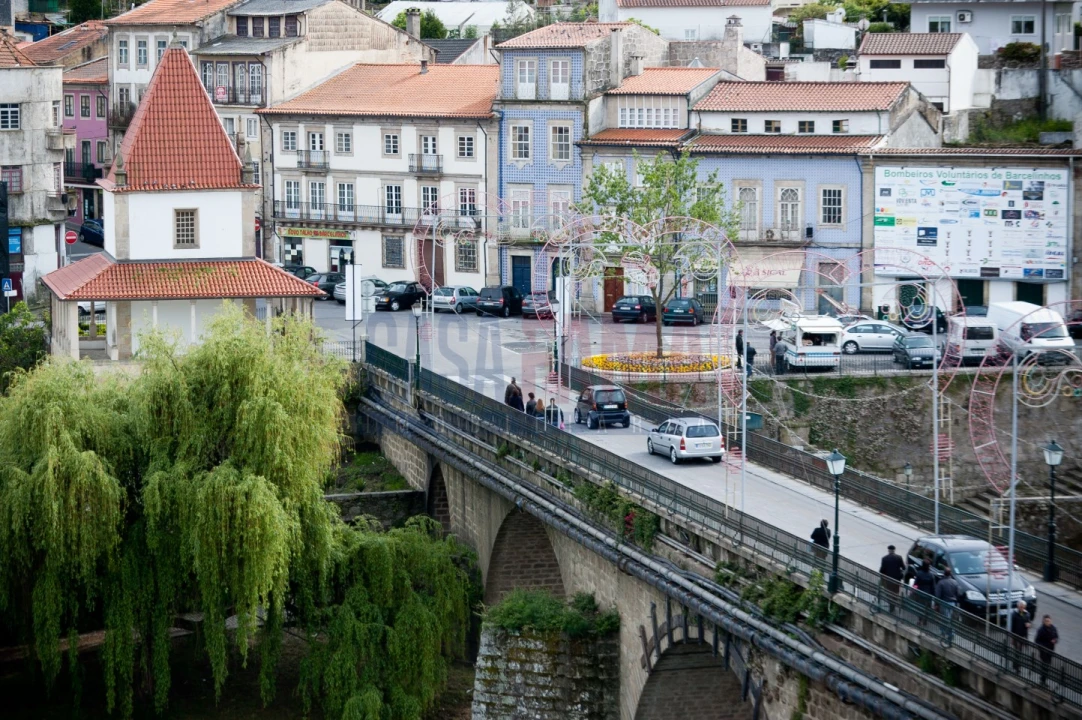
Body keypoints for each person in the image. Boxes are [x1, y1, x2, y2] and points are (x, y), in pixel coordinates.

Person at [934, 567, 961, 641]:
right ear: (950, 573)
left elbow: (938, 595)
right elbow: (958, 594)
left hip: (944, 603)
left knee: (944, 619)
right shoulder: (955, 582)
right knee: (950, 619)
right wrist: (957, 602)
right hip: (952, 603)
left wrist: (936, 604)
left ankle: (945, 633)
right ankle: (950, 634)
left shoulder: (941, 582)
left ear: (944, 573)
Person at [908, 559, 937, 625]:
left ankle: (920, 620)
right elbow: (933, 587)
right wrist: (934, 596)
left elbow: (916, 584)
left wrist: (912, 591)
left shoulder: (919, 574)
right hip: (928, 595)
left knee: (920, 607)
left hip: (920, 593)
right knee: (927, 608)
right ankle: (925, 620)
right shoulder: (931, 575)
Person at [879, 545, 906, 612]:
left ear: (888, 550)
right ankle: (893, 605)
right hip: (897, 579)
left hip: (888, 579)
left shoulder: (884, 559)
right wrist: (901, 574)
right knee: (895, 592)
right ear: (894, 550)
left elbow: (882, 570)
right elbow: (904, 568)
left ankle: (891, 605)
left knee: (888, 592)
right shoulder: (899, 558)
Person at [1035, 615, 1059, 684]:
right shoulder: (1041, 629)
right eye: (1046, 621)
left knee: (1047, 666)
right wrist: (1042, 647)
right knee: (1045, 665)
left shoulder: (1053, 628)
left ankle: (1044, 680)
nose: (1048, 622)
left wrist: (1055, 640)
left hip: (1050, 650)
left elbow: (1056, 637)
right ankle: (1043, 680)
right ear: (1044, 621)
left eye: (1049, 621)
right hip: (1043, 651)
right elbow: (1037, 640)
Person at [1010, 600, 1032, 672]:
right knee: (1017, 651)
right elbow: (1012, 626)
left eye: (1023, 607)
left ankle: (1016, 665)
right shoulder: (1015, 614)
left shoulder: (1027, 614)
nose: (1022, 608)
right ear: (1018, 606)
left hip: (1023, 636)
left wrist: (1028, 625)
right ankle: (1017, 666)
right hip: (1016, 635)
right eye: (1020, 606)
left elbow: (1028, 622)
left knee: (1019, 651)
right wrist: (1012, 637)